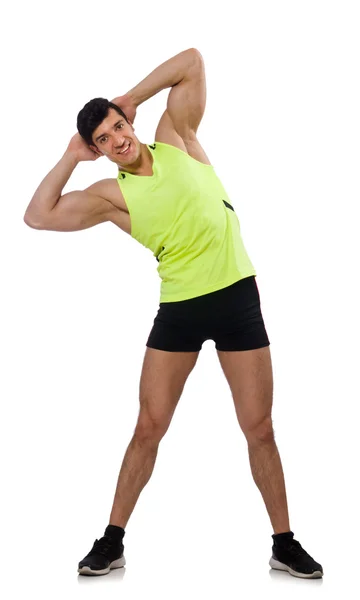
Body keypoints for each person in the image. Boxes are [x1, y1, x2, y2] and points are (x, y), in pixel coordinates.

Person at [24, 48, 323, 579]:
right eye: (104, 140)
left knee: (259, 428)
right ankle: (111, 540)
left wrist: (131, 98)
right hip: (179, 310)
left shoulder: (177, 136)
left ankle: (284, 542)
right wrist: (72, 156)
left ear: (127, 122)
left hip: (237, 300)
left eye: (118, 127)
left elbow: (191, 60)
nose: (118, 139)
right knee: (148, 427)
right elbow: (37, 216)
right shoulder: (112, 196)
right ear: (100, 150)